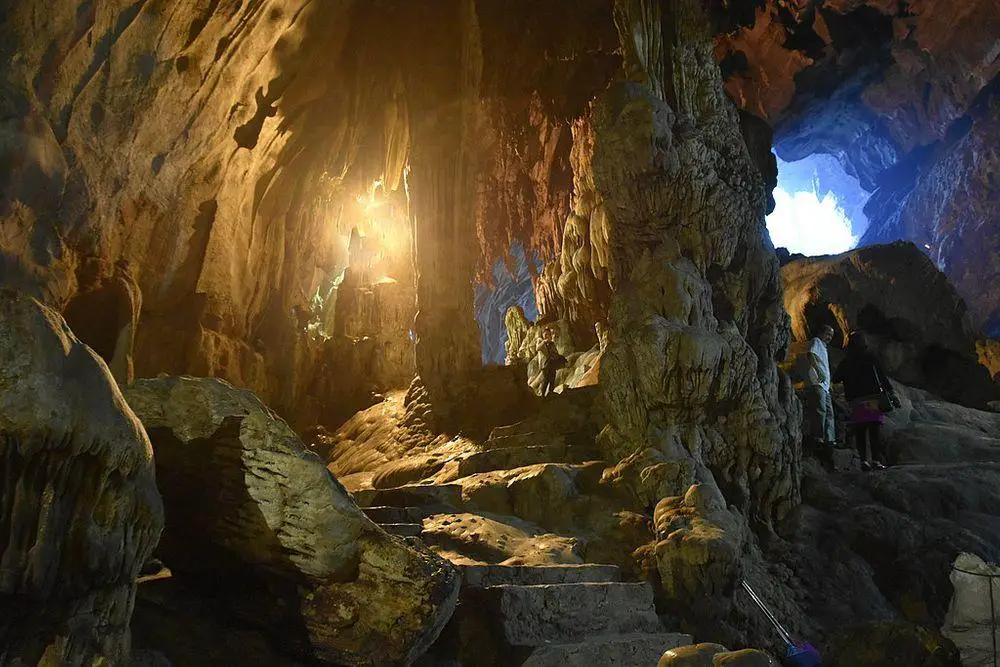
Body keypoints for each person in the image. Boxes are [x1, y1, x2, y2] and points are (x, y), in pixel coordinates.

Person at [833, 331, 896, 470]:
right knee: (874, 430)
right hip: (872, 398)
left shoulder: (847, 360)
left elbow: (836, 378)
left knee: (861, 431)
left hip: (856, 400)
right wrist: (891, 392)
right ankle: (876, 461)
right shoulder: (870, 357)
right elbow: (881, 376)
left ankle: (863, 461)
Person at [804, 324, 837, 449]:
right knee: (821, 410)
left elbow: (825, 366)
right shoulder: (816, 341)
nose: (829, 337)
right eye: (828, 334)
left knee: (829, 412)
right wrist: (818, 370)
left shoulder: (825, 347)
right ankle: (818, 437)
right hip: (817, 382)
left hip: (825, 385)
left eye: (831, 335)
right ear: (821, 332)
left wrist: (830, 384)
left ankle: (830, 438)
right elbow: (810, 355)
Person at [538, 327, 566, 397]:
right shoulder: (541, 342)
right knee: (546, 380)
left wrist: (559, 357)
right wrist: (544, 342)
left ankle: (550, 394)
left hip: (552, 363)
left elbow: (555, 352)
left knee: (552, 379)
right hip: (545, 364)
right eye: (546, 334)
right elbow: (537, 348)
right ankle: (542, 395)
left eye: (548, 334)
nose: (547, 336)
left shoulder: (551, 343)